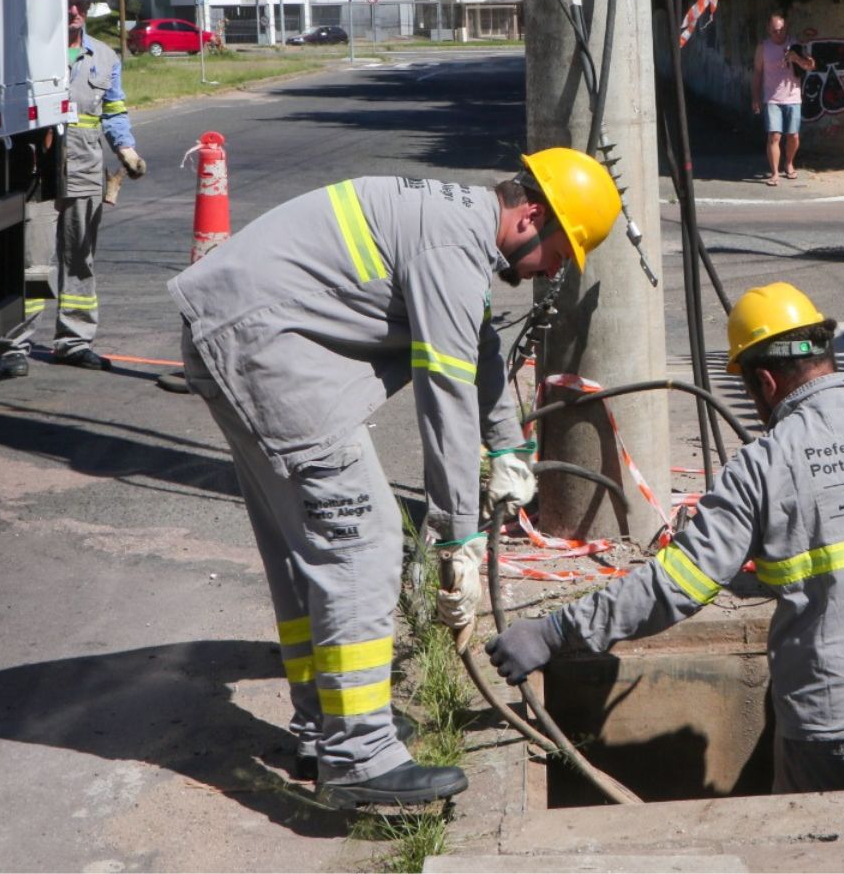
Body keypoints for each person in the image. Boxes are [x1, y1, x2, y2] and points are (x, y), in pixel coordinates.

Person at [168, 148, 623, 807]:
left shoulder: (457, 228)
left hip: (241, 335)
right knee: (366, 540)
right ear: (531, 216)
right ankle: (358, 757)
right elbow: (445, 390)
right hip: (263, 347)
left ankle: (326, 727)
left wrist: (508, 449)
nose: (554, 273)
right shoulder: (451, 243)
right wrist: (457, 537)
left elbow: (479, 349)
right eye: (561, 254)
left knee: (308, 549)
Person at [487, 283, 844, 793]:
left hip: (836, 734)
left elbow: (673, 587)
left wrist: (555, 632)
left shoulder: (763, 465)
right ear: (825, 353)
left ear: (764, 383)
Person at [0, 0, 145, 378]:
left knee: (80, 260)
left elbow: (114, 110)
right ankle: (15, 344)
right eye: (68, 4)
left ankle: (74, 342)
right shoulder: (30, 53)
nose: (74, 11)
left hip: (84, 172)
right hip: (37, 176)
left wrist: (126, 149)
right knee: (35, 263)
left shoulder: (107, 57)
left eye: (81, 4)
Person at [752, 14, 816, 186]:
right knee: (774, 136)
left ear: (786, 29)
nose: (778, 34)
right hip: (772, 98)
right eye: (774, 31)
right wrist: (755, 98)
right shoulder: (763, 47)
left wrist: (796, 58)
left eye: (781, 30)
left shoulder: (795, 44)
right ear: (768, 30)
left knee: (793, 136)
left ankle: (788, 163)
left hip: (793, 98)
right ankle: (774, 173)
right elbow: (758, 73)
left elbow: (811, 65)